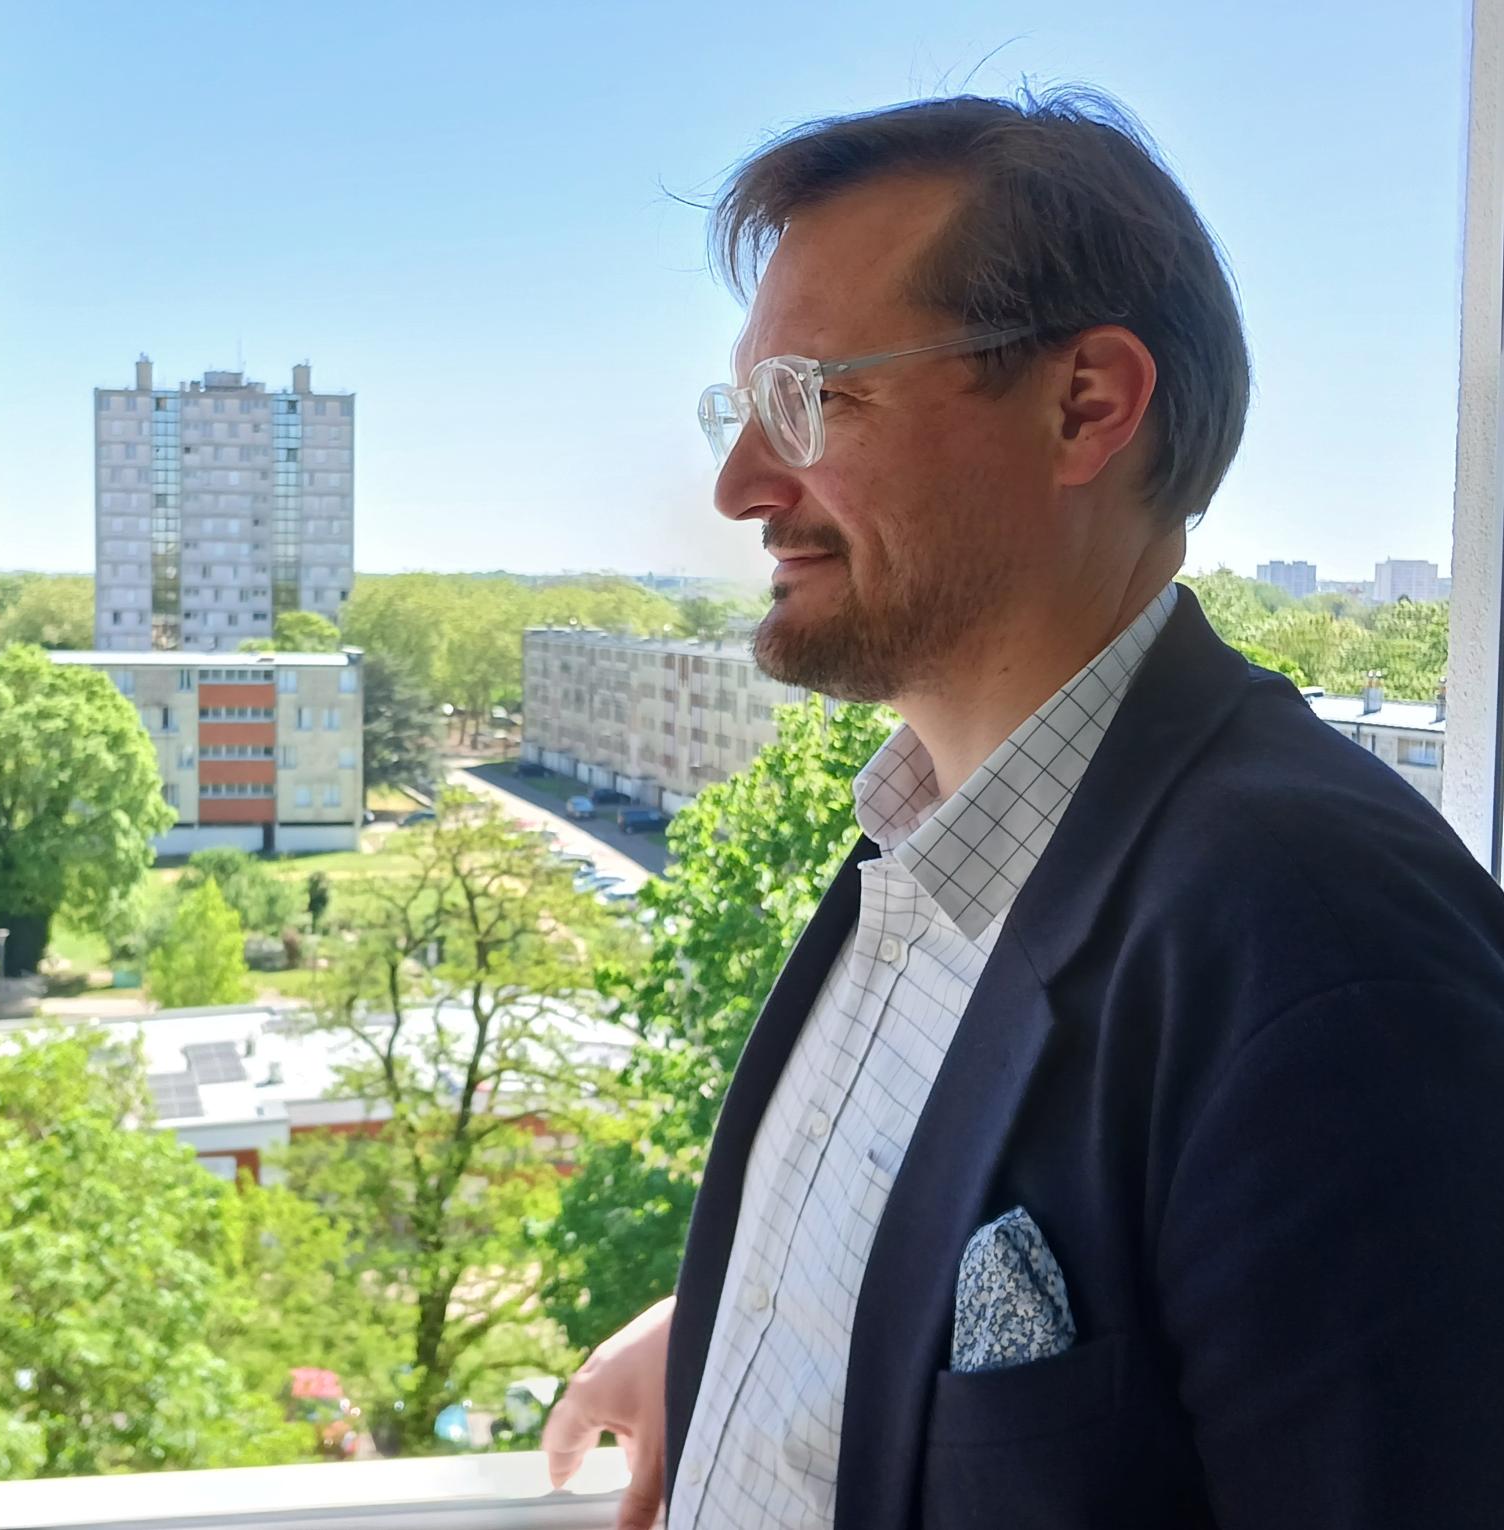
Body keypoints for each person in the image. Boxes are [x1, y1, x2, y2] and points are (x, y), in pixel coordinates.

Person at [541, 90, 1504, 1530]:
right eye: (739, 409)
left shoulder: (1324, 946)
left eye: (809, 397)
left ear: (1086, 405)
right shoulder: (937, 846)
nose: (743, 483)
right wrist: (754, 1325)